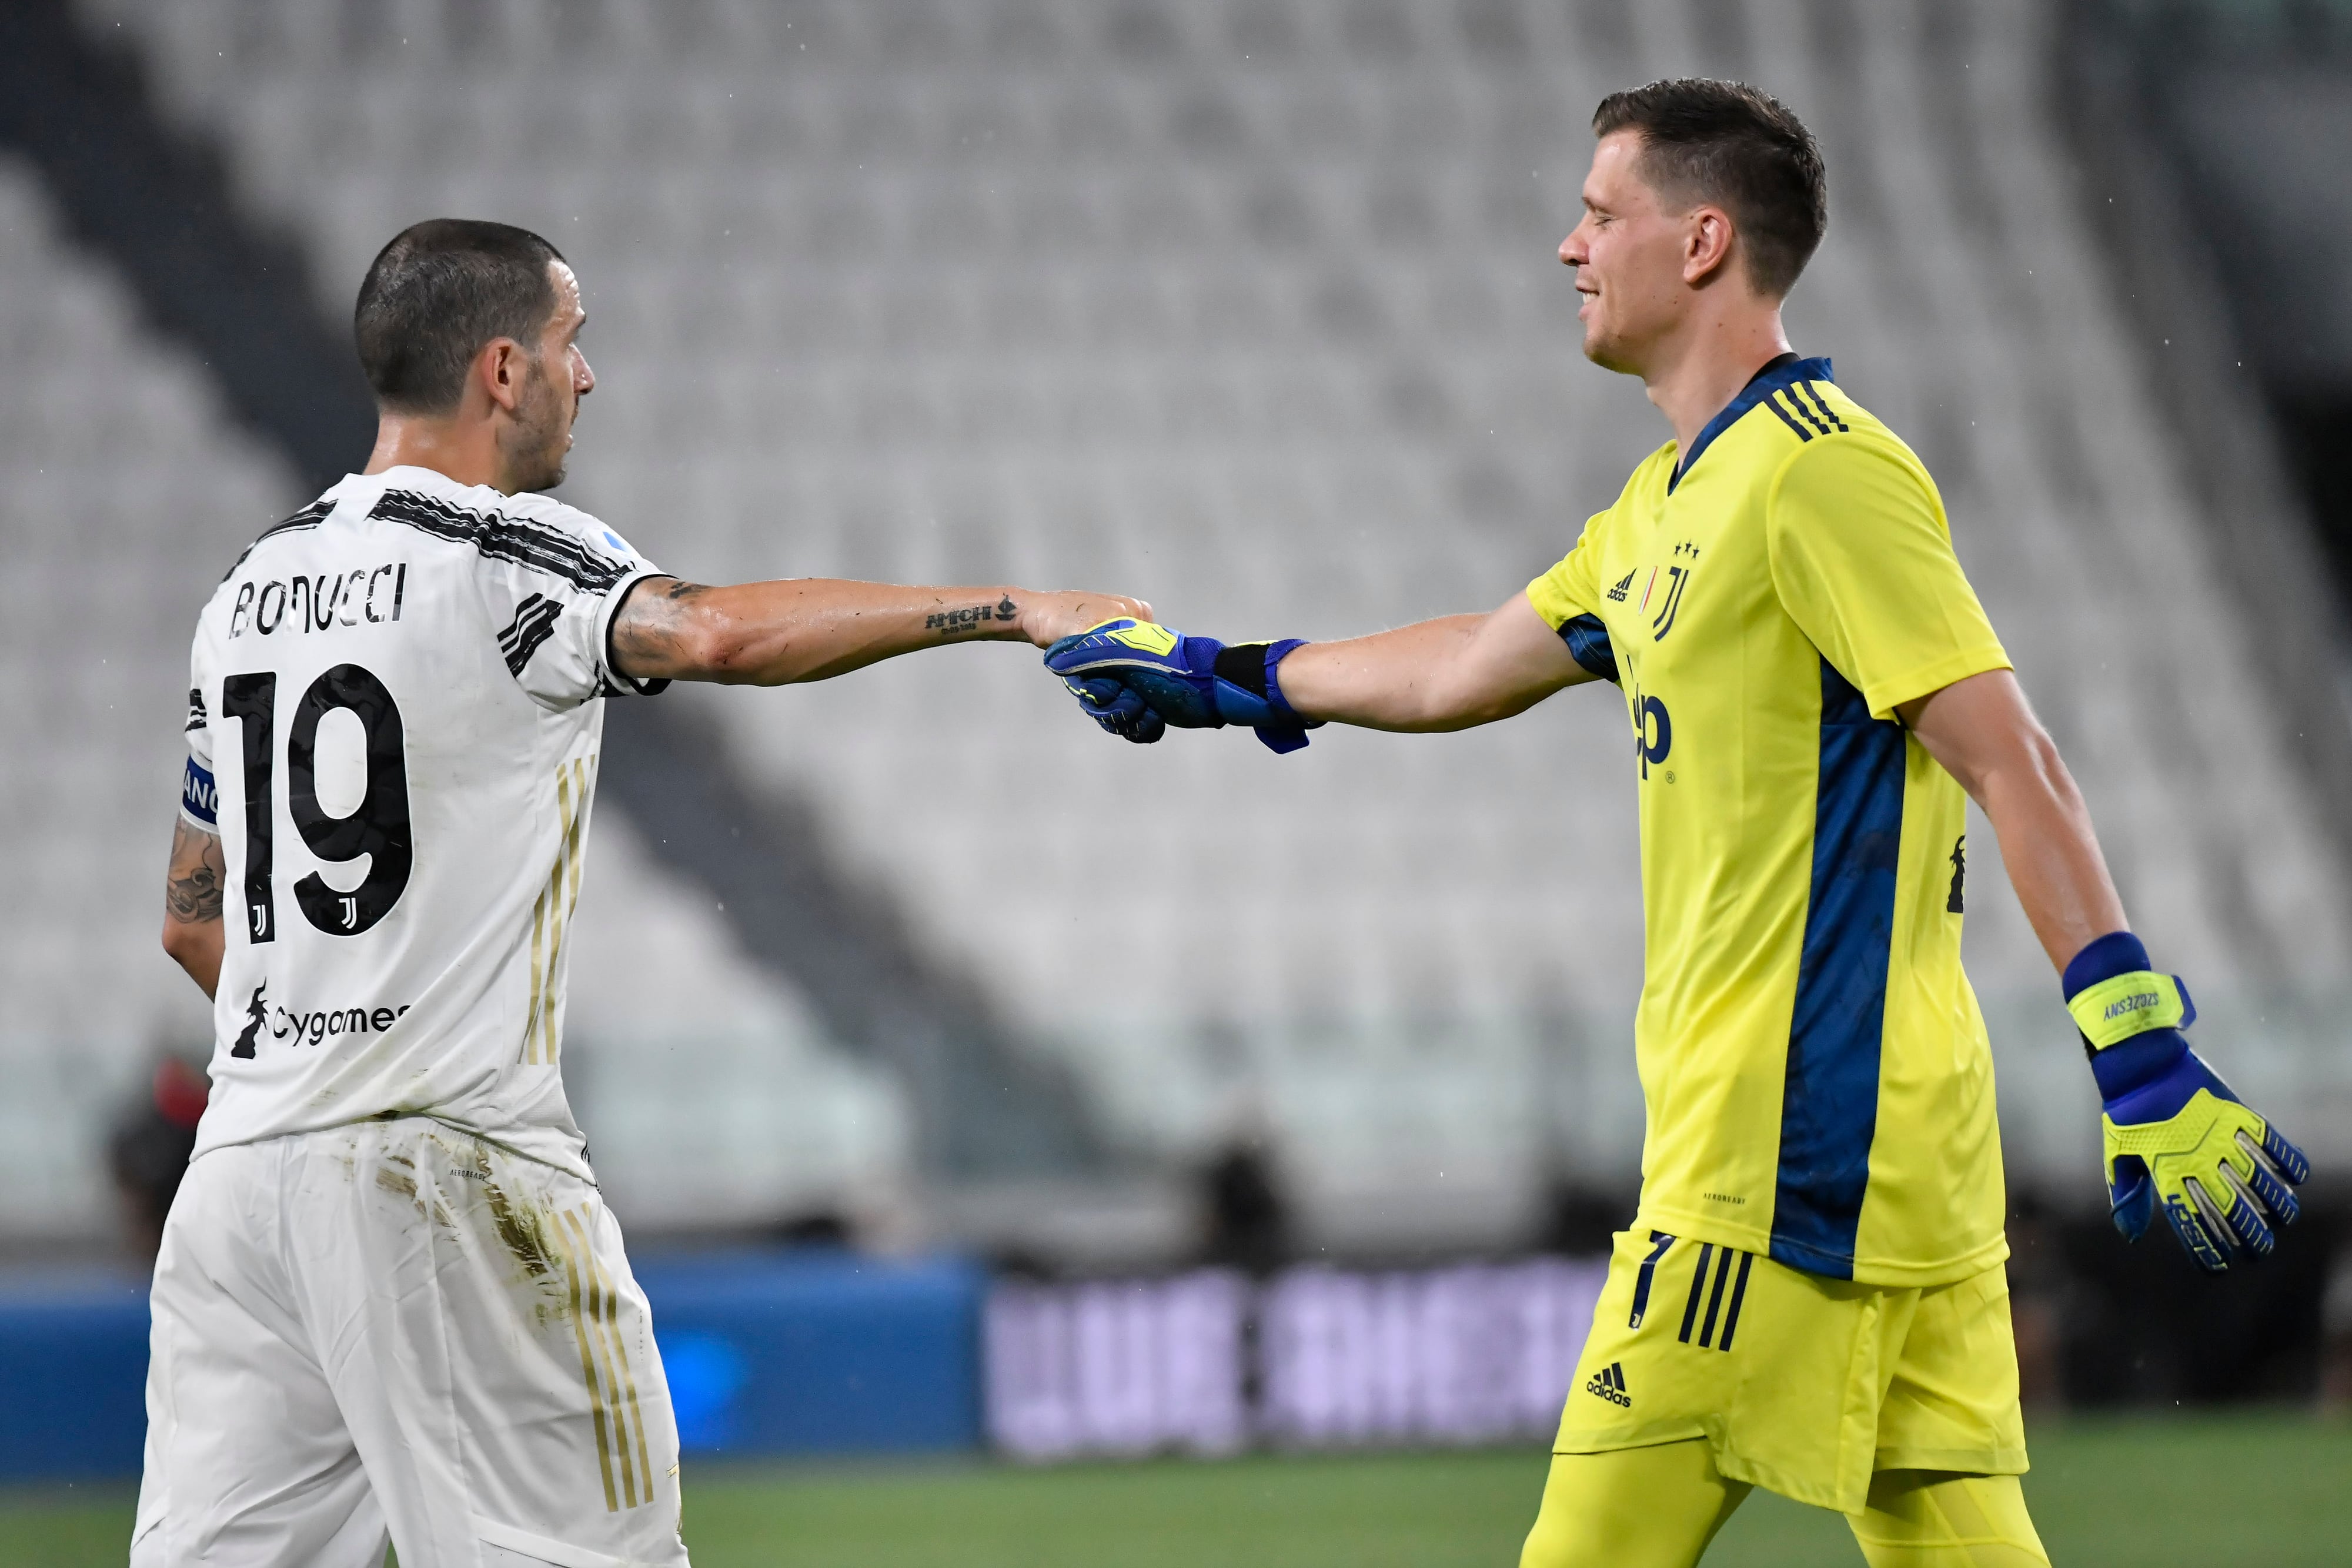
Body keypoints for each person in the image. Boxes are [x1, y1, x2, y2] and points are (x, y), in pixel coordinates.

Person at [1046, 79, 2309, 1567]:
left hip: (1778, 1158)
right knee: (1957, 1541)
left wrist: (2136, 1044)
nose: (1566, 245)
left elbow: (2009, 757)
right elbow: (1459, 666)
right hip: (1880, 1149)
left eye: (1598, 212)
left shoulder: (1822, 472)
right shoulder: (1657, 506)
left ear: (1700, 240)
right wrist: (1225, 675)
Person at [145, 217, 1147, 1567]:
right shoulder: (504, 553)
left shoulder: (244, 591)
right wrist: (1014, 607)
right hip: (447, 1166)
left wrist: (327, 1043)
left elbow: (192, 913)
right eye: (572, 342)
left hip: (240, 1186)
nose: (589, 375)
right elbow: (713, 629)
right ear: (503, 370)